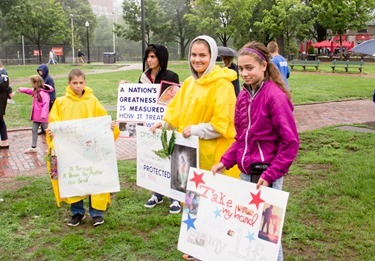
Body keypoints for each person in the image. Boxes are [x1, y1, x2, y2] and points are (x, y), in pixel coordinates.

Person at [211, 41, 300, 261]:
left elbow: (291, 142)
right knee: (249, 229)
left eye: (249, 68)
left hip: (267, 176)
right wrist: (226, 161)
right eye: (241, 69)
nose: (244, 73)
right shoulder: (243, 96)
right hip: (246, 173)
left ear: (263, 66)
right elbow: (242, 138)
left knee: (267, 234)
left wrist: (270, 176)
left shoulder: (275, 96)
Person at [47, 69, 120, 227]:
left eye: (81, 83)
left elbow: (102, 119)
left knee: (94, 176)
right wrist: (53, 132)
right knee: (75, 177)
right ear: (69, 83)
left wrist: (110, 126)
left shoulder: (92, 100)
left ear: (85, 83)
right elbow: (54, 123)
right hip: (71, 149)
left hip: (90, 148)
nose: (78, 86)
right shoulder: (61, 103)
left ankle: (96, 213)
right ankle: (77, 212)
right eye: (75, 83)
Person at [135, 44, 181, 214]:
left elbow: (176, 100)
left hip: (166, 124)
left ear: (161, 57)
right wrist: (126, 87)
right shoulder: (144, 77)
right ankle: (157, 193)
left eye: (153, 56)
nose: (150, 60)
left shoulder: (171, 76)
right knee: (153, 157)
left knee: (169, 157)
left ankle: (175, 197)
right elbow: (138, 98)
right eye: (148, 57)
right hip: (149, 125)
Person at [17, 75, 54, 153]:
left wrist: (43, 115)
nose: (31, 84)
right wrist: (22, 89)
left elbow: (46, 104)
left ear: (36, 83)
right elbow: (29, 91)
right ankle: (33, 147)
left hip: (42, 117)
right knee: (34, 129)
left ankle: (52, 146)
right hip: (37, 116)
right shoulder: (36, 90)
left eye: (32, 82)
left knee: (47, 131)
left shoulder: (43, 93)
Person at [37, 64, 56, 134]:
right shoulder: (40, 78)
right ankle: (43, 129)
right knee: (43, 115)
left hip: (50, 99)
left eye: (41, 71)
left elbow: (51, 89)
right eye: (39, 71)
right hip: (43, 100)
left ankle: (51, 129)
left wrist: (51, 99)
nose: (40, 72)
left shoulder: (49, 79)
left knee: (50, 114)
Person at [0, 61, 10, 149]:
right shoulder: (3, 72)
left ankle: (4, 140)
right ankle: (4, 140)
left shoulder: (2, 73)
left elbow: (4, 85)